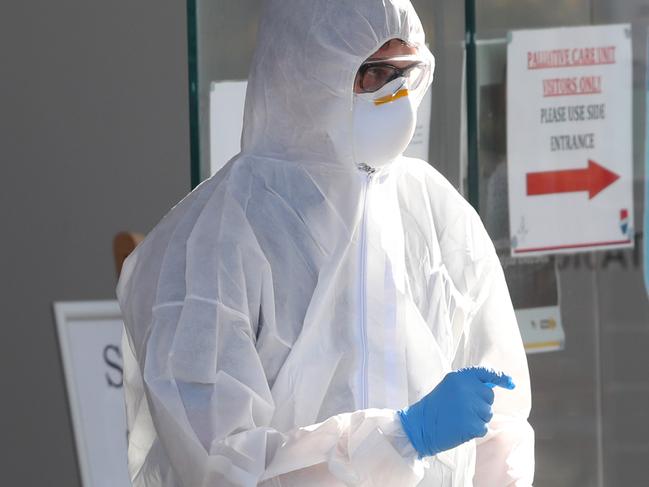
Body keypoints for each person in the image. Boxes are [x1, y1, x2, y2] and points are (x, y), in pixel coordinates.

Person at [116, 0, 534, 485]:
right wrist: (402, 436)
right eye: (371, 73)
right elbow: (220, 461)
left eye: (405, 73)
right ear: (303, 68)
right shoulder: (211, 241)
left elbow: (501, 422)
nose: (394, 95)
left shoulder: (435, 213)